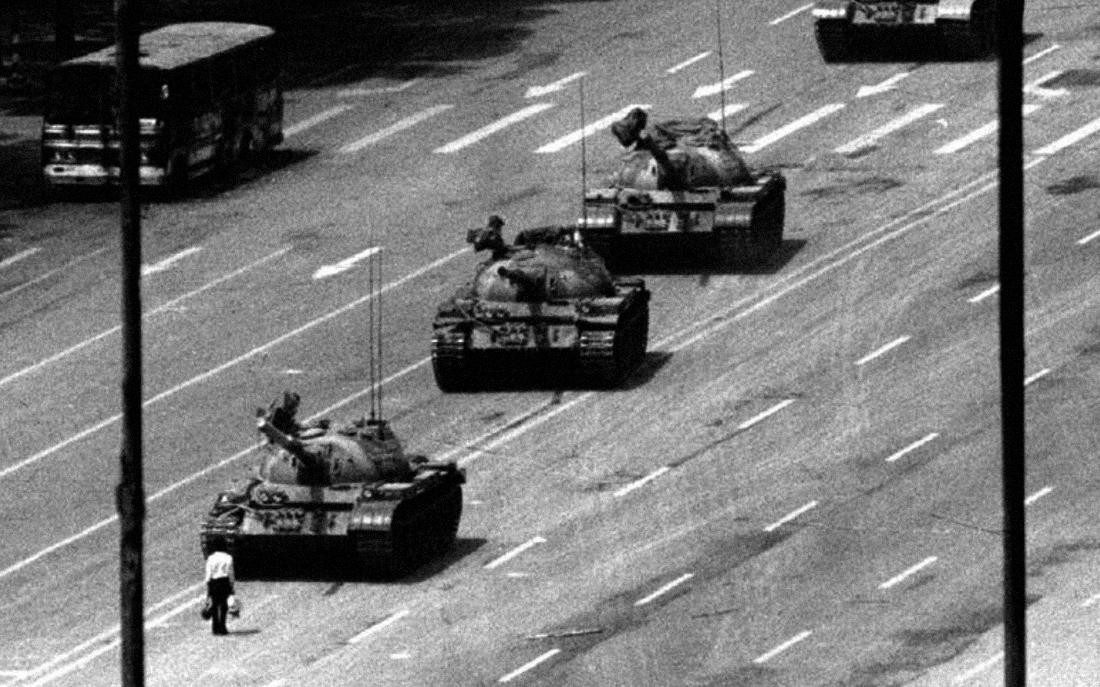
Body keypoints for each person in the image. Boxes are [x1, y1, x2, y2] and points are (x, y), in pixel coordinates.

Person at [204, 537, 235, 635]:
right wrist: (231, 585)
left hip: (214, 582)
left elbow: (208, 574)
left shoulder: (211, 558)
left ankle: (215, 627)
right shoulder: (228, 557)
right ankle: (222, 627)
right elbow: (230, 573)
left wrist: (208, 587)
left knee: (214, 605)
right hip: (224, 582)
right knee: (224, 606)